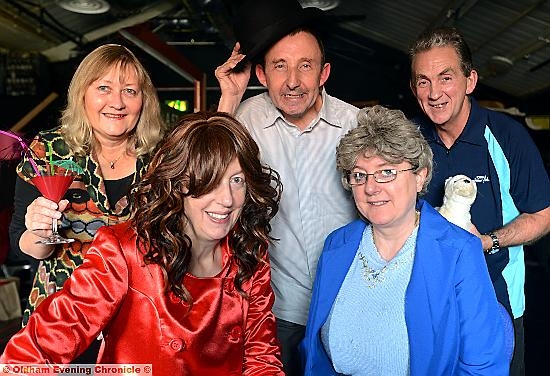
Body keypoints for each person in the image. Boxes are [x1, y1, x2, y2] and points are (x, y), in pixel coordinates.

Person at [1, 112, 285, 375]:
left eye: (237, 180)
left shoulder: (250, 253)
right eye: (208, 181)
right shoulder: (125, 250)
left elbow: (261, 356)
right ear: (179, 183)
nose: (227, 199)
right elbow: (38, 347)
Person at [300, 105, 508, 375]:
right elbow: (313, 354)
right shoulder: (337, 245)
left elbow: (484, 366)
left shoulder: (458, 251)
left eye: (387, 172)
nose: (371, 188)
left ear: (420, 176)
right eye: (359, 175)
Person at [215, 1, 358, 373]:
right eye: (280, 66)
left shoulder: (356, 126)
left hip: (346, 304)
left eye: (305, 66)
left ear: (324, 73)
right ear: (261, 73)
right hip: (273, 311)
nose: (293, 81)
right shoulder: (244, 119)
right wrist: (230, 97)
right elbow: (203, 177)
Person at [8, 44, 164, 360]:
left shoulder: (163, 159)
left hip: (138, 324)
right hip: (61, 321)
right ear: (83, 94)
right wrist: (39, 231)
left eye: (130, 91)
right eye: (104, 88)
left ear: (143, 101)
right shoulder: (49, 150)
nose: (117, 102)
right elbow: (21, 244)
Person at [409, 27, 550, 376]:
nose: (435, 93)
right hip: (424, 305)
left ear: (470, 80)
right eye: (423, 81)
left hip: (496, 305)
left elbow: (543, 216)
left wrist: (487, 241)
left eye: (446, 78)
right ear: (413, 89)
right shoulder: (408, 140)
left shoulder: (507, 138)